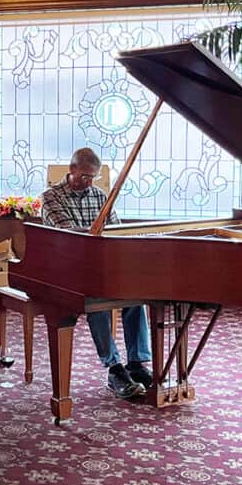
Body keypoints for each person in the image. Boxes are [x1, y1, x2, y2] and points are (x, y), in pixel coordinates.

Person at [40, 147, 154, 399]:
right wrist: (97, 237)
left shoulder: (100, 195)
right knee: (98, 304)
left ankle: (137, 363)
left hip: (100, 265)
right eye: (84, 177)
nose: (88, 183)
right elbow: (69, 235)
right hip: (66, 269)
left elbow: (115, 230)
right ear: (71, 171)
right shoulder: (50, 197)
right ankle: (114, 369)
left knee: (135, 299)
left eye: (92, 178)